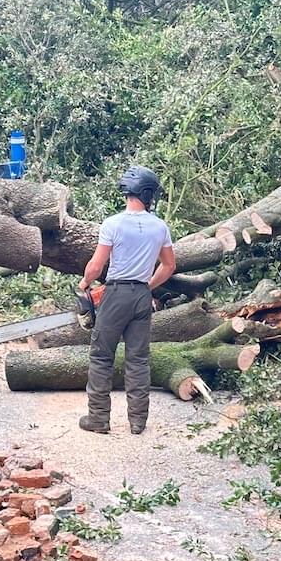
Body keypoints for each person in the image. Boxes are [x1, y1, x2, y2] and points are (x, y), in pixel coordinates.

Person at [78, 165, 177, 435]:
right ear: (146, 194)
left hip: (116, 294)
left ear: (128, 192)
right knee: (138, 359)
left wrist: (85, 284)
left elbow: (96, 267)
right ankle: (137, 421)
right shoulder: (160, 226)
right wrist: (148, 285)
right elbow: (169, 266)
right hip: (142, 297)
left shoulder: (113, 224)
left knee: (101, 356)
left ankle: (98, 419)